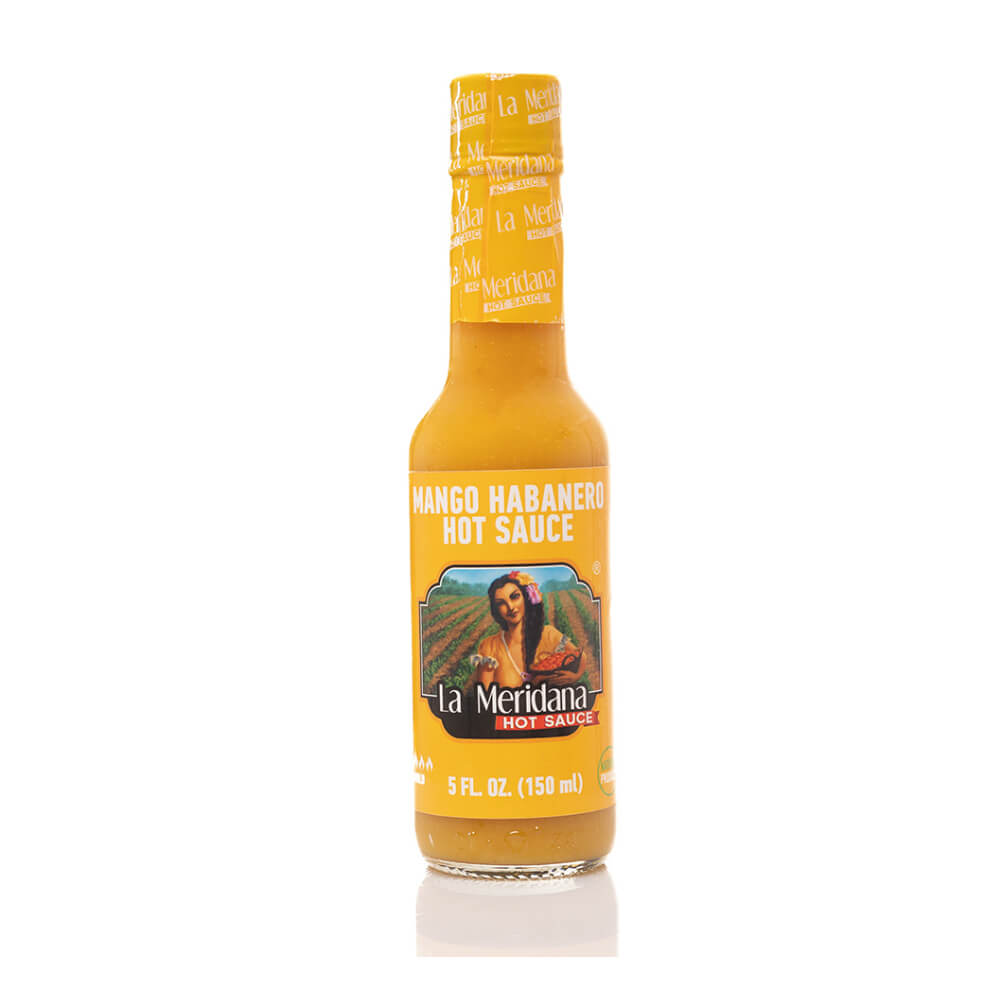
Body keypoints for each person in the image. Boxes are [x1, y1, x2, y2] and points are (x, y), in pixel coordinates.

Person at [472, 571, 584, 688]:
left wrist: (576, 676)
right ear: (496, 610)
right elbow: (485, 694)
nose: (510, 607)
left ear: (526, 598)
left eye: (515, 597)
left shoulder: (549, 634)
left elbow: (580, 654)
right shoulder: (489, 646)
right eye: (501, 603)